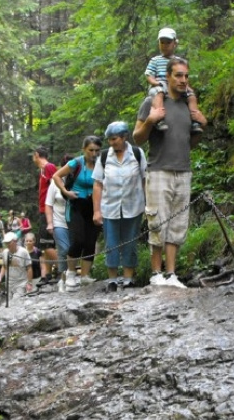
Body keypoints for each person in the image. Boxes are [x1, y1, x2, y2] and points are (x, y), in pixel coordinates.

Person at [133, 57, 207, 288]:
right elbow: (137, 137)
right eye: (178, 75)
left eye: (186, 75)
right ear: (167, 76)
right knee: (158, 222)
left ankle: (172, 274)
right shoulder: (153, 102)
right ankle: (156, 273)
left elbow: (188, 142)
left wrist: (202, 126)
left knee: (177, 224)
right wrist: (151, 121)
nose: (183, 80)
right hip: (158, 171)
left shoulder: (188, 104)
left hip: (183, 171)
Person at [93, 121, 147, 287]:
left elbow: (145, 180)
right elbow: (98, 184)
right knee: (112, 243)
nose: (111, 142)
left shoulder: (137, 153)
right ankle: (112, 280)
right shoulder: (104, 157)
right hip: (110, 207)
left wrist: (148, 204)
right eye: (109, 139)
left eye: (115, 139)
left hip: (134, 205)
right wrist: (96, 211)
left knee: (130, 242)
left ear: (125, 137)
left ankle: (129, 278)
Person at [52, 136, 103, 291]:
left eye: (97, 150)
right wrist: (65, 192)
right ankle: (71, 273)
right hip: (76, 205)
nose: (94, 153)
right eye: (91, 150)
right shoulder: (77, 162)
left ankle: (85, 276)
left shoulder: (101, 163)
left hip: (94, 205)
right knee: (79, 239)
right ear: (84, 150)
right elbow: (56, 176)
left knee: (90, 241)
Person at [145, 27, 203, 134]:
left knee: (191, 95)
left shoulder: (179, 61)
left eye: (168, 42)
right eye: (162, 42)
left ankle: (195, 120)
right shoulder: (155, 60)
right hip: (159, 85)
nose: (165, 45)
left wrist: (188, 87)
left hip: (175, 87)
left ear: (174, 44)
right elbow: (149, 75)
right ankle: (159, 119)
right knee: (159, 93)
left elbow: (183, 77)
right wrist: (155, 83)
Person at [31, 146, 58, 283]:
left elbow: (57, 185)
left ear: (37, 155)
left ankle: (63, 269)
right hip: (43, 210)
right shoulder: (42, 170)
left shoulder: (49, 167)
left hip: (49, 211)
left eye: (33, 155)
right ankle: (47, 274)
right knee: (46, 245)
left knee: (46, 244)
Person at [46, 154, 72, 287]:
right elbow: (48, 204)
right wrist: (50, 223)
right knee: (65, 248)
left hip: (73, 221)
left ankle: (67, 277)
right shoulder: (54, 183)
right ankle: (64, 277)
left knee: (70, 250)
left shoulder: (76, 181)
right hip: (59, 221)